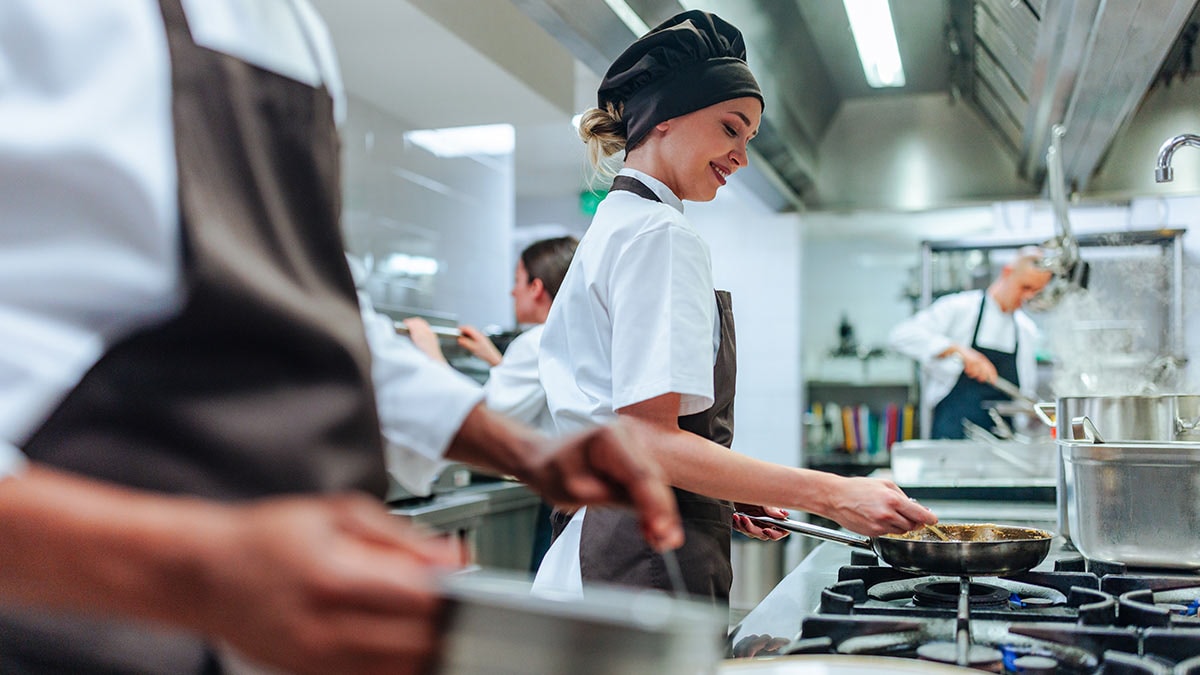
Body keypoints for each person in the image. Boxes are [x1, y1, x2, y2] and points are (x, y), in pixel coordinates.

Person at [0, 3, 681, 674]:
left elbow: (338, 324)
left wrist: (531, 449)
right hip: (61, 621)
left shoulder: (294, 31)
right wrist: (199, 563)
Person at [532, 9, 937, 603]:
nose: (741, 156)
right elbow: (649, 440)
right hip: (637, 561)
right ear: (664, 117)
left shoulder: (617, 225)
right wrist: (833, 493)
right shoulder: (659, 235)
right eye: (730, 127)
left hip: (604, 549)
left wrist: (721, 487)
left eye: (748, 138)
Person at [403, 237, 578, 568]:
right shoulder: (568, 334)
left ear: (536, 288)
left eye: (517, 281)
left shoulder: (534, 342)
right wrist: (496, 360)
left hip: (559, 495)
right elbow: (544, 392)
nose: (512, 292)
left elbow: (484, 415)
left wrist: (429, 350)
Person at [889, 246, 1053, 439]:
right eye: (1025, 287)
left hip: (1003, 448)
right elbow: (900, 335)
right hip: (951, 438)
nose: (1028, 297)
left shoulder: (1026, 330)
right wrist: (958, 351)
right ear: (1007, 272)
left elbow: (1024, 392)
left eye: (1035, 291)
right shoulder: (960, 308)